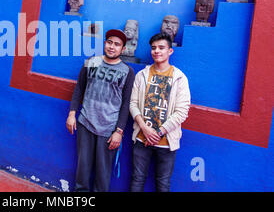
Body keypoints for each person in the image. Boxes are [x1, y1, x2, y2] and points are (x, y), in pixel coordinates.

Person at [66, 29, 135, 192]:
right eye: (109, 42)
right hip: (85, 123)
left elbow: (126, 103)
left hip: (108, 130)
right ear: (105, 43)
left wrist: (119, 131)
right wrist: (72, 113)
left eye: (117, 44)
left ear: (123, 49)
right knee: (82, 171)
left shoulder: (128, 72)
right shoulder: (91, 62)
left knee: (102, 176)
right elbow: (79, 89)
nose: (112, 47)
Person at [129, 32, 190, 192]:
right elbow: (133, 104)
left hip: (167, 142)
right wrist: (145, 129)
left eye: (161, 48)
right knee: (137, 179)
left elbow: (182, 112)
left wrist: (159, 132)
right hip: (142, 139)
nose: (157, 51)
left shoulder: (180, 78)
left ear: (170, 51)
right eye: (154, 48)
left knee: (163, 184)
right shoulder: (142, 75)